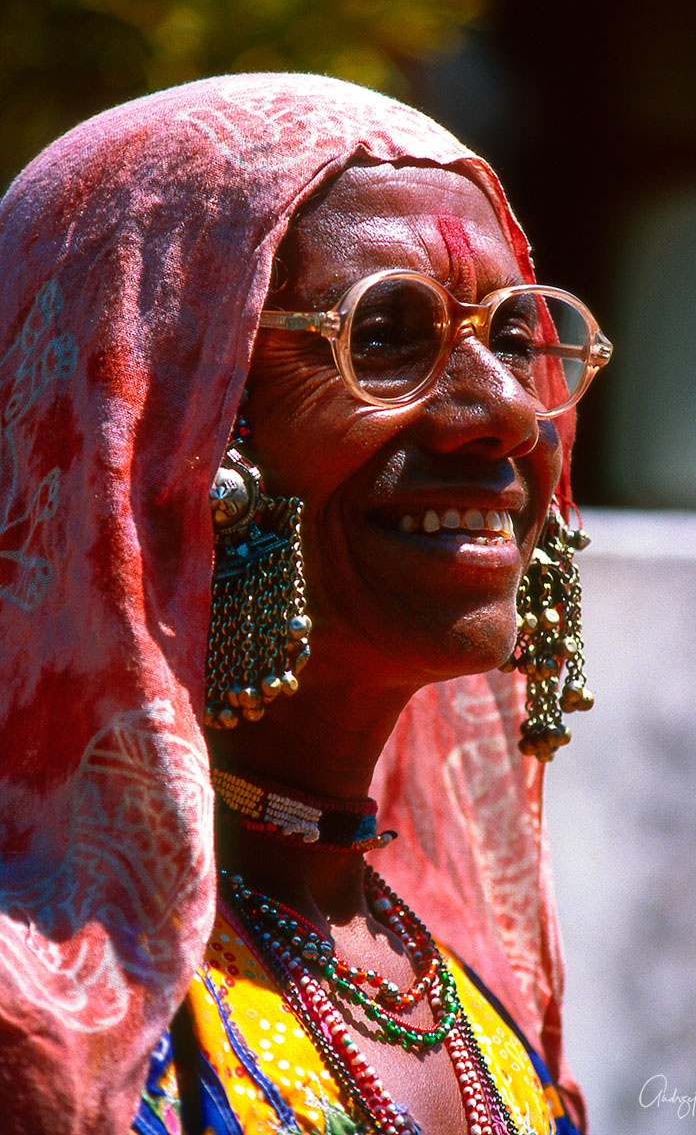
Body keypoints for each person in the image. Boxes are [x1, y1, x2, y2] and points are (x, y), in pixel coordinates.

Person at [0, 75, 610, 1135]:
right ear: (153, 422)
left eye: (515, 338)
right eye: (385, 334)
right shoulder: (42, 1012)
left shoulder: (455, 993)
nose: (508, 415)